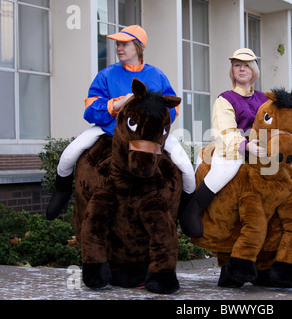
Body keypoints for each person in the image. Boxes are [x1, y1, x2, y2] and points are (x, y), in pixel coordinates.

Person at [46, 25, 195, 220]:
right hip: (109, 129)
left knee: (187, 168)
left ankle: (186, 212)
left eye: (124, 44)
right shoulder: (106, 74)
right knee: (67, 156)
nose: (119, 48)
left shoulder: (157, 76)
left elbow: (172, 108)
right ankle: (62, 192)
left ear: (138, 46)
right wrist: (117, 104)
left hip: (149, 136)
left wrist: (152, 119)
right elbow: (90, 109)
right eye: (117, 44)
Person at [179, 48, 292, 238]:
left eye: (246, 66)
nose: (241, 69)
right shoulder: (225, 99)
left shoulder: (266, 98)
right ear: (232, 71)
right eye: (237, 65)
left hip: (267, 148)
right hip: (237, 147)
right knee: (225, 170)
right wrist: (245, 145)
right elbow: (223, 129)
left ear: (253, 71)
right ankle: (192, 209)